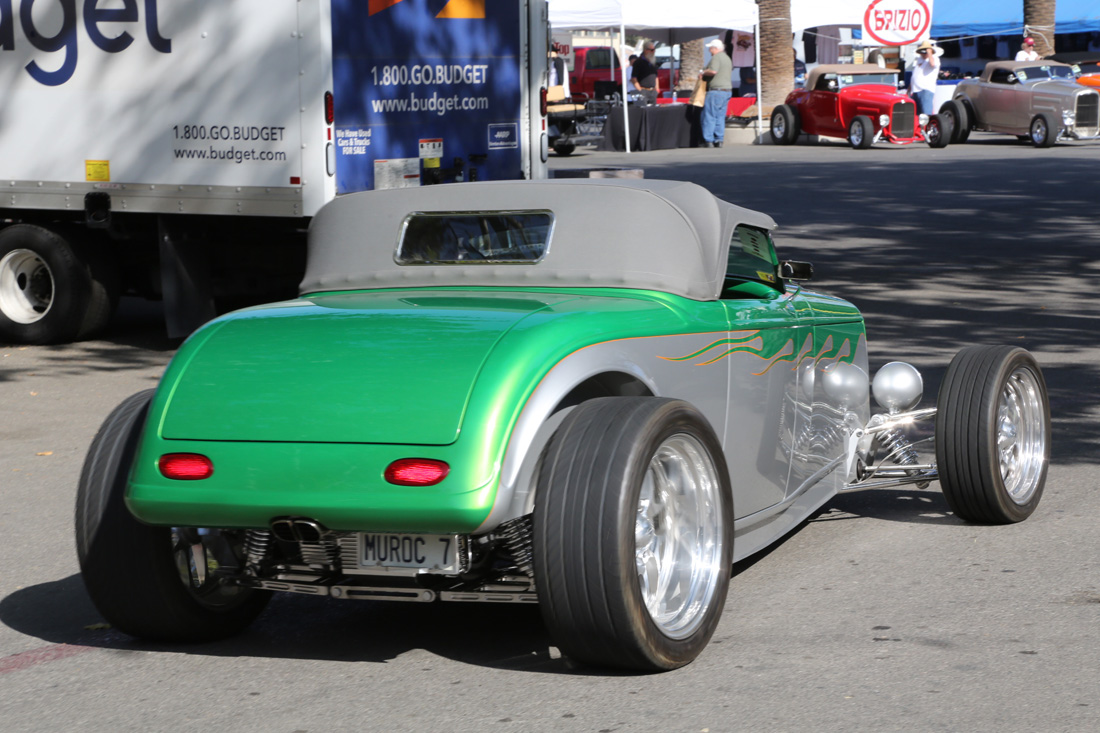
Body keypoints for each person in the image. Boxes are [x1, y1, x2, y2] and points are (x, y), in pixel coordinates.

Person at [700, 38, 732, 148]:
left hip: (715, 91)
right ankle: (719, 139)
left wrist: (703, 72)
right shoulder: (727, 58)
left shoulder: (716, 58)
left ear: (715, 48)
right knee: (720, 116)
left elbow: (713, 71)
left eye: (710, 48)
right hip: (726, 91)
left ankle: (708, 140)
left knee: (709, 116)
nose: (709, 50)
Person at [909, 39, 941, 116]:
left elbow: (932, 64)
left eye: (925, 51)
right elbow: (914, 76)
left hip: (925, 90)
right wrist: (909, 90)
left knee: (926, 115)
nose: (923, 53)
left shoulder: (935, 59)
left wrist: (929, 53)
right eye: (922, 51)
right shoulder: (919, 60)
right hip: (915, 91)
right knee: (916, 115)